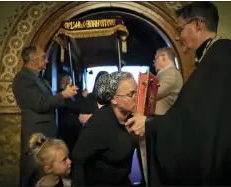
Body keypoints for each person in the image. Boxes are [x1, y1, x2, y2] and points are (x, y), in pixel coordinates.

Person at [125, 2, 231, 186]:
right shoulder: (221, 53)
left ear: (197, 24)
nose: (178, 37)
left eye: (180, 30)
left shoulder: (219, 56)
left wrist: (150, 125)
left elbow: (193, 123)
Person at [12, 45, 78, 186]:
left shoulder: (39, 78)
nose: (47, 60)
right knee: (35, 174)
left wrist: (63, 94)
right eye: (43, 57)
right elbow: (40, 104)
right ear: (31, 57)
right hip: (36, 135)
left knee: (48, 176)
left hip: (46, 132)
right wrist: (63, 94)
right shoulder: (23, 78)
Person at [71, 72, 144, 186]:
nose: (137, 98)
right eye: (131, 94)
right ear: (114, 99)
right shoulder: (98, 125)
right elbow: (77, 159)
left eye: (137, 92)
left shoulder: (134, 116)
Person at [154, 47, 183, 115]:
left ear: (163, 56)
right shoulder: (168, 73)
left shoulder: (171, 74)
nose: (154, 63)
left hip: (160, 120)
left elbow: (153, 93)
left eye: (156, 59)